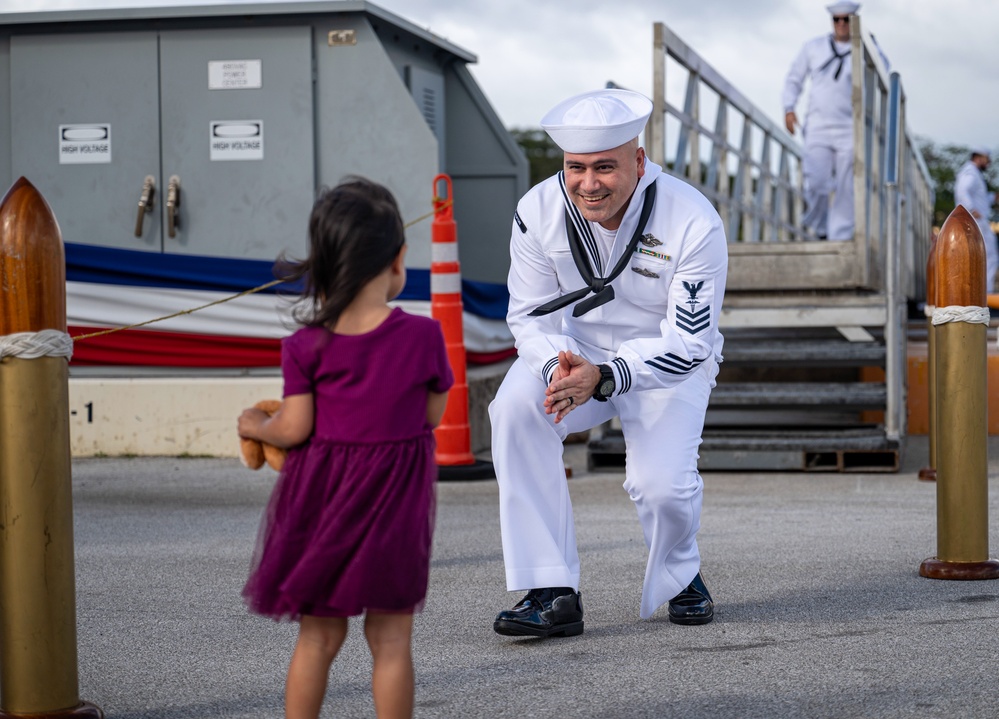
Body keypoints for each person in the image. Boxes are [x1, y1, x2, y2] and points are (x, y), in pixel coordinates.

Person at [488, 88, 728, 637]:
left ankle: (680, 573)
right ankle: (551, 590)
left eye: (605, 167)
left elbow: (691, 341)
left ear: (638, 162)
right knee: (515, 411)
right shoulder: (536, 210)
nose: (588, 183)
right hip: (577, 354)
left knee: (662, 486)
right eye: (576, 167)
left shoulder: (692, 218)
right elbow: (526, 317)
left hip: (667, 359)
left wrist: (609, 378)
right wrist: (557, 368)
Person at [237, 177, 453, 719]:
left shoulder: (305, 345)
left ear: (324, 264)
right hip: (395, 509)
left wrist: (254, 425)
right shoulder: (424, 338)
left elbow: (293, 429)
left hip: (323, 507)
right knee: (391, 641)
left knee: (318, 640)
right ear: (398, 260)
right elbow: (431, 416)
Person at [782, 1, 869, 241]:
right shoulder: (814, 47)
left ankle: (840, 237)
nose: (841, 24)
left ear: (854, 21)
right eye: (837, 20)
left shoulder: (865, 49)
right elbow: (794, 79)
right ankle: (819, 228)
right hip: (818, 125)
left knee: (846, 184)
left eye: (846, 20)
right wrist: (789, 108)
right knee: (816, 179)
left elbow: (882, 75)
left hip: (850, 127)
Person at [954, 147, 998, 293]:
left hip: (975, 220)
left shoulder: (974, 173)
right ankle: (985, 297)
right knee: (990, 257)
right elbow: (962, 190)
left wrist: (993, 198)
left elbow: (980, 198)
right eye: (987, 160)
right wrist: (972, 209)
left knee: (979, 258)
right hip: (976, 222)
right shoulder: (971, 172)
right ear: (979, 158)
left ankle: (981, 296)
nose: (989, 163)